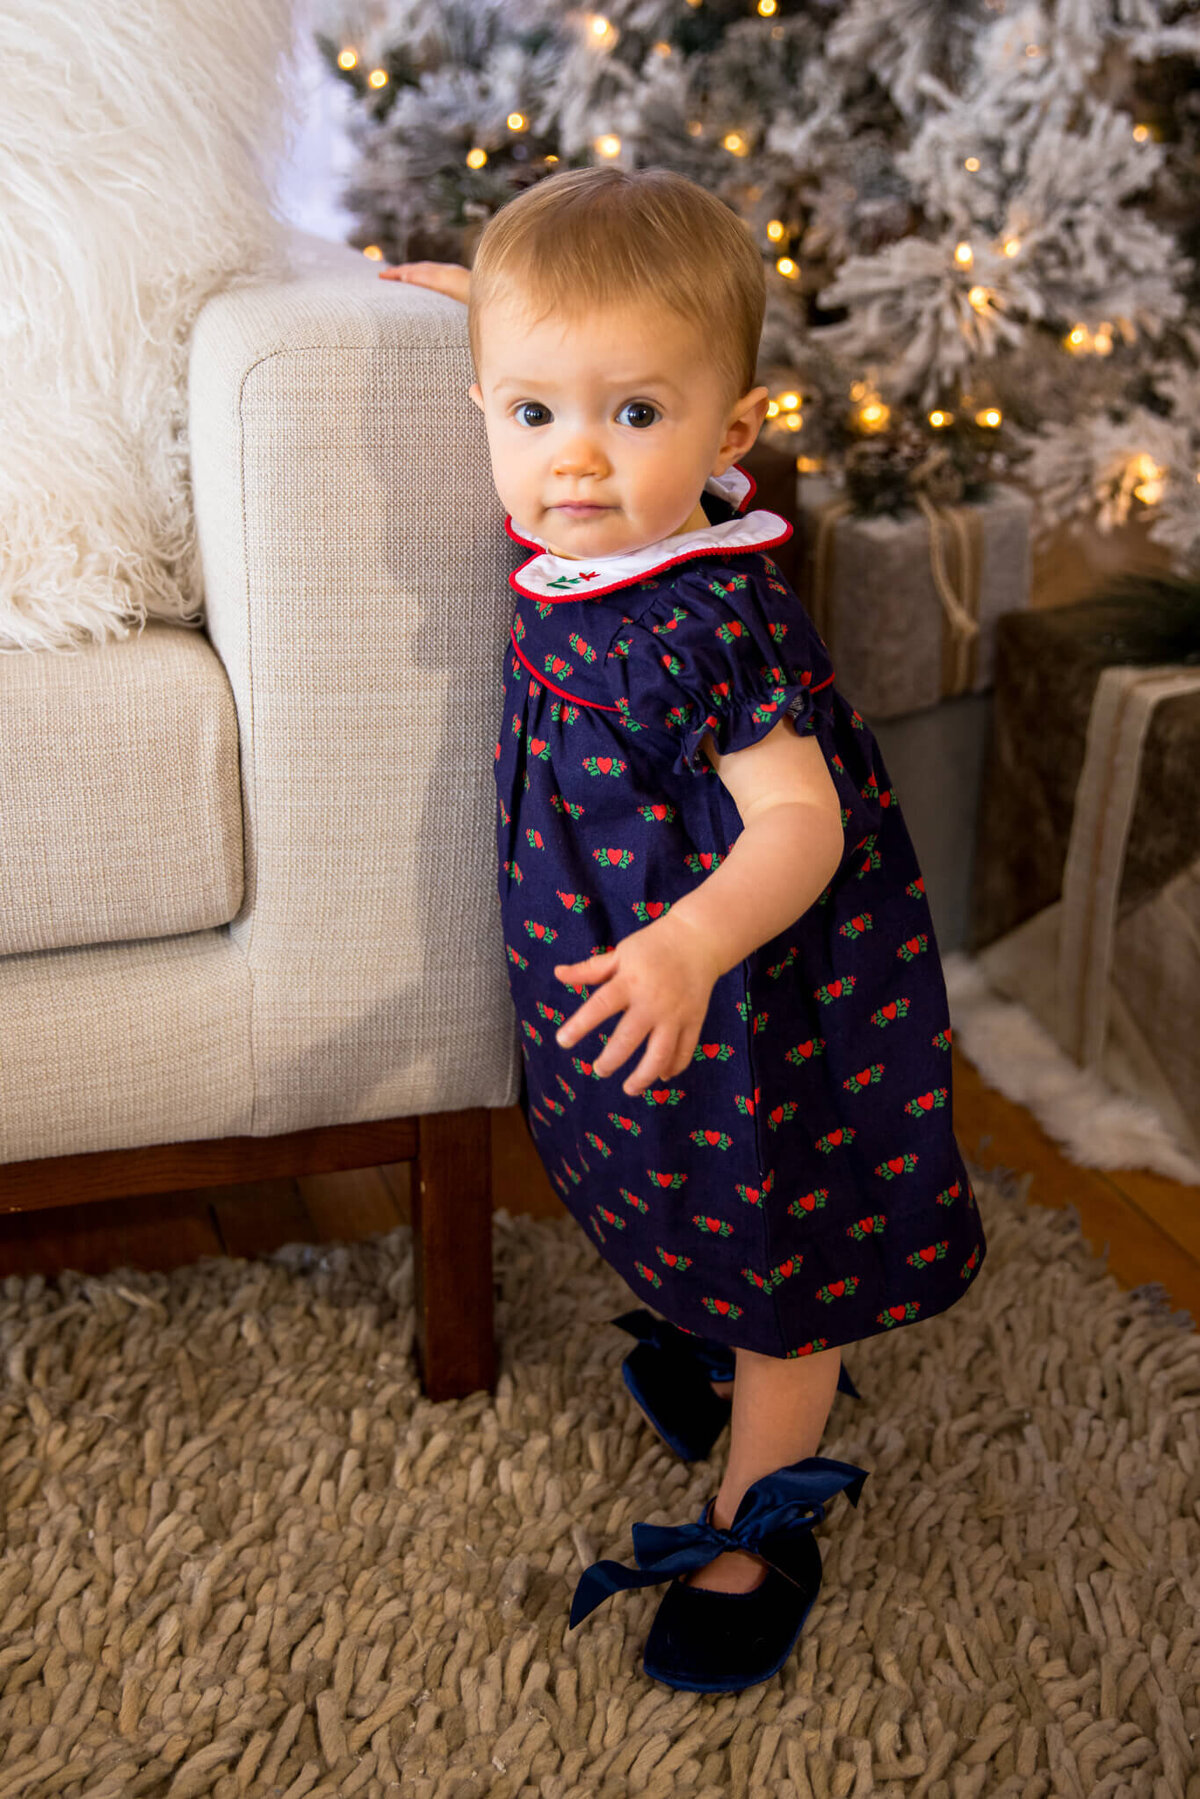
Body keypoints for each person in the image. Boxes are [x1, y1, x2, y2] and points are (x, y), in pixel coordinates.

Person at [379, 166, 987, 1693]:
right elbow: (564, 377)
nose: (574, 458)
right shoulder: (596, 508)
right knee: (640, 1152)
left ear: (731, 438)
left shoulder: (703, 617)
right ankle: (699, 1316)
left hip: (750, 975)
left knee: (780, 1231)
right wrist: (493, 309)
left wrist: (695, 945)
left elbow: (801, 826)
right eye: (531, 414)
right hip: (626, 945)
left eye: (632, 416)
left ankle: (758, 1523)